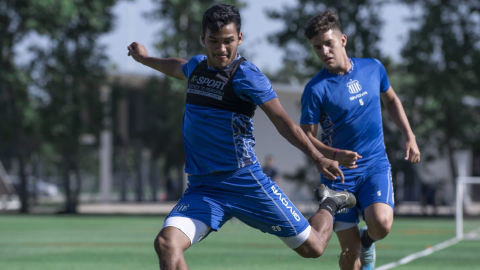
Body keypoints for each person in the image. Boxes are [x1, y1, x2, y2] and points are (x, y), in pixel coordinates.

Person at [127, 4, 355, 270]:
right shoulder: (197, 67)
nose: (221, 48)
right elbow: (178, 67)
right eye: (213, 41)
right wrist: (145, 60)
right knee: (167, 243)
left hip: (244, 182)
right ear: (203, 38)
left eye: (228, 41)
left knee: (313, 247)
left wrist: (318, 157)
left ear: (240, 38)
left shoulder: (247, 76)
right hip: (203, 188)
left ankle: (330, 201)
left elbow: (282, 121)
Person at [300, 10, 421, 270]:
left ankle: (369, 240)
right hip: (338, 176)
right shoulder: (315, 89)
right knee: (349, 251)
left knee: (382, 224)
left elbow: (391, 100)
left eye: (328, 43)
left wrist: (409, 136)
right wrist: (333, 155)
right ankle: (359, 247)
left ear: (342, 39)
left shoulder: (373, 67)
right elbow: (306, 137)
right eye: (317, 47)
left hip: (375, 164)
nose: (324, 51)